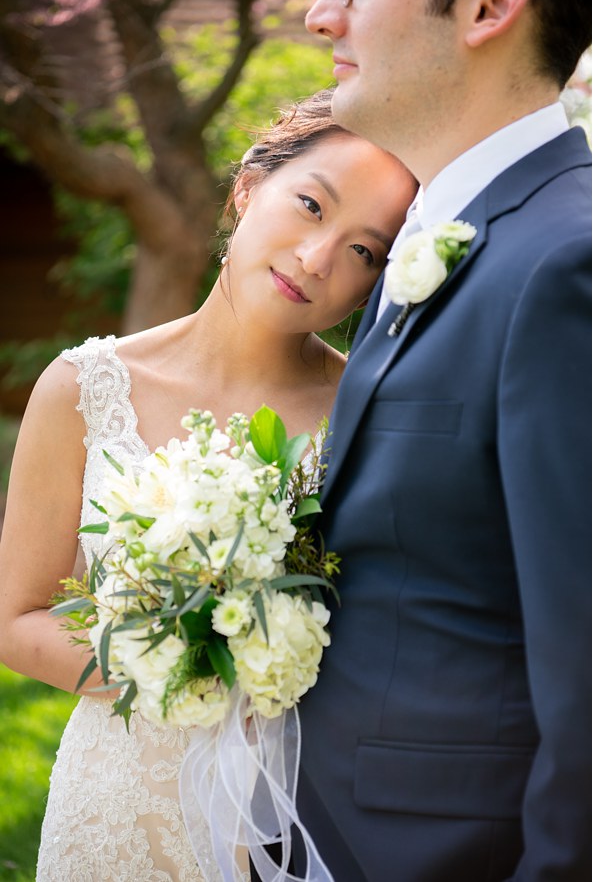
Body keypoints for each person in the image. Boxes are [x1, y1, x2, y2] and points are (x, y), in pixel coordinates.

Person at [0, 89, 416, 880]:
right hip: (116, 806)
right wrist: (172, 666)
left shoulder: (371, 416)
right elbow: (16, 618)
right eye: (310, 205)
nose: (316, 257)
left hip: (303, 812)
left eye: (366, 251)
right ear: (248, 186)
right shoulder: (84, 388)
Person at [293, 0, 591, 879]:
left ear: (487, 10)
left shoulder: (560, 259)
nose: (320, 16)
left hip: (443, 848)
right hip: (327, 822)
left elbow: (575, 665)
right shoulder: (440, 232)